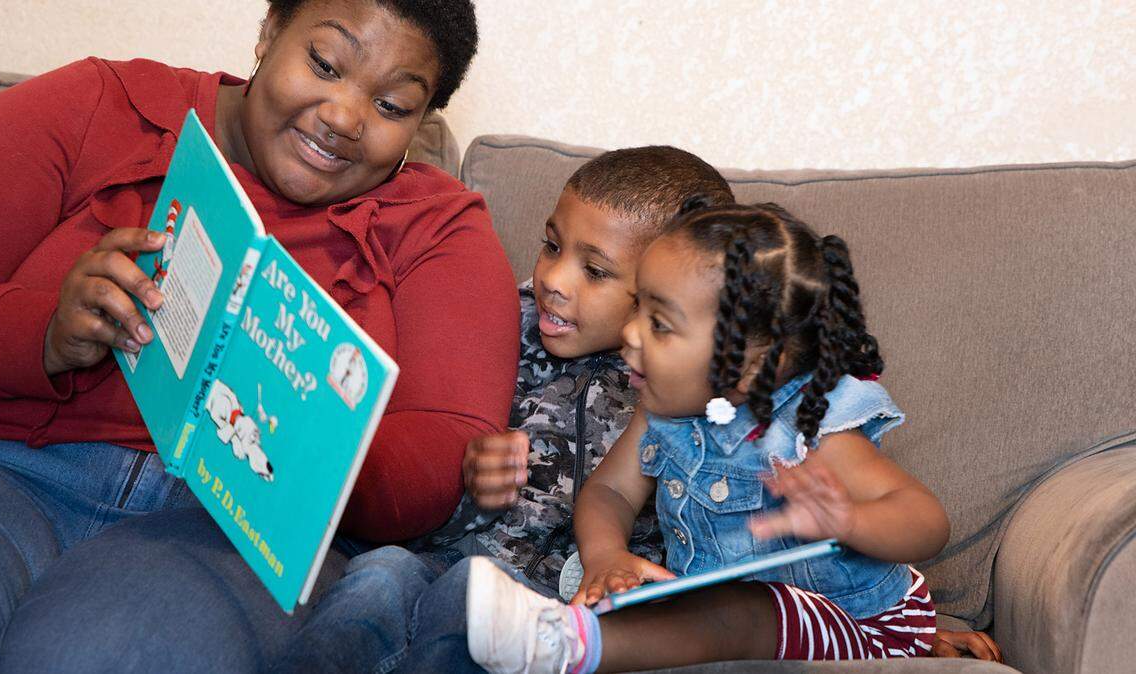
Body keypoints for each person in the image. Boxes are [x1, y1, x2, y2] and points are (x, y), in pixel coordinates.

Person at [0, 1, 518, 671]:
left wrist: (310, 446)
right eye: (324, 64)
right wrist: (40, 332)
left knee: (93, 656)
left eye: (391, 107)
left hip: (226, 535)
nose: (343, 117)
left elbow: (449, 448)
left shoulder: (441, 228)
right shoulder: (104, 105)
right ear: (271, 31)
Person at [275, 151, 1002, 672]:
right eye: (551, 247)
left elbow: (906, 532)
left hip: (586, 598)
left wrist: (872, 565)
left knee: (472, 599)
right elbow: (602, 492)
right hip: (469, 555)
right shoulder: (509, 331)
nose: (554, 281)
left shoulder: (756, 408)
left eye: (596, 272)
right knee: (379, 579)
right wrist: (463, 472)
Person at [466, 201, 967, 672]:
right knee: (640, 598)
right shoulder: (668, 409)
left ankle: (561, 648)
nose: (631, 333)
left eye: (659, 324)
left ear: (750, 367)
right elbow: (610, 491)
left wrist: (849, 519)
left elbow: (928, 523)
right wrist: (606, 556)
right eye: (638, 306)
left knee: (741, 610)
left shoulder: (813, 429)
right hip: (714, 614)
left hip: (863, 627)